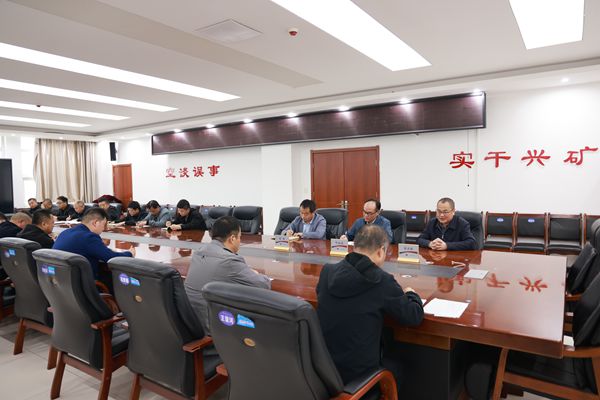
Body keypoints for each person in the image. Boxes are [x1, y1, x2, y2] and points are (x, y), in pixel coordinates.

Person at [316, 224, 424, 385]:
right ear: (381, 251)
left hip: (323, 369)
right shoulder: (382, 281)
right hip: (359, 377)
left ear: (355, 246)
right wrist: (411, 294)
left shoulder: (327, 271)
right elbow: (413, 316)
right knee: (401, 367)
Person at [184, 216, 271, 333]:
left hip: (190, 324)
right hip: (212, 329)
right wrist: (256, 273)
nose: (240, 241)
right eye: (240, 237)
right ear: (232, 238)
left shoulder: (198, 252)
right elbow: (263, 285)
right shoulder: (229, 260)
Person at [53, 207, 133, 279]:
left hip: (61, 281)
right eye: (104, 225)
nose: (104, 228)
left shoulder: (65, 232)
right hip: (82, 284)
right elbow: (111, 258)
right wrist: (130, 253)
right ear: (95, 223)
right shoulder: (89, 237)